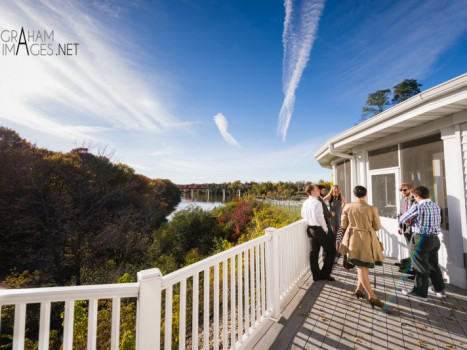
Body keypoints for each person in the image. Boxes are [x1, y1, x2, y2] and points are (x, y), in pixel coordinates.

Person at [339, 185, 385, 309]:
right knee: (362, 268)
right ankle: (372, 297)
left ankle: (359, 289)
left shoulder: (348, 207)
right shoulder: (371, 208)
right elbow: (377, 227)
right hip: (368, 239)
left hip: (353, 239)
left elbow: (343, 224)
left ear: (355, 195)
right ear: (365, 195)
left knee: (361, 267)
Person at [399, 186, 446, 300]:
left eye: (414, 197)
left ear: (417, 196)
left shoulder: (417, 207)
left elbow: (403, 218)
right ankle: (439, 290)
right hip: (434, 239)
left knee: (420, 266)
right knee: (433, 265)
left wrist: (412, 221)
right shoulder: (436, 206)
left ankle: (420, 292)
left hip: (421, 239)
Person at [301, 184, 336, 282]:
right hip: (319, 229)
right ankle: (325, 274)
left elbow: (302, 214)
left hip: (310, 229)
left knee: (314, 252)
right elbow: (320, 218)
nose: (318, 191)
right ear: (312, 192)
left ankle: (316, 276)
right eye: (316, 189)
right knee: (331, 251)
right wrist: (325, 229)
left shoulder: (306, 202)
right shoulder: (317, 203)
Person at [396, 183, 416, 277]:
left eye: (404, 190)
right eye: (401, 190)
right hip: (405, 228)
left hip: (415, 228)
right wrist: (400, 226)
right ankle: (412, 268)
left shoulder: (415, 199)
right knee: (410, 248)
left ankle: (415, 270)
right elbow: (400, 214)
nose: (402, 192)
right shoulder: (402, 200)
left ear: (411, 189)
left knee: (415, 249)